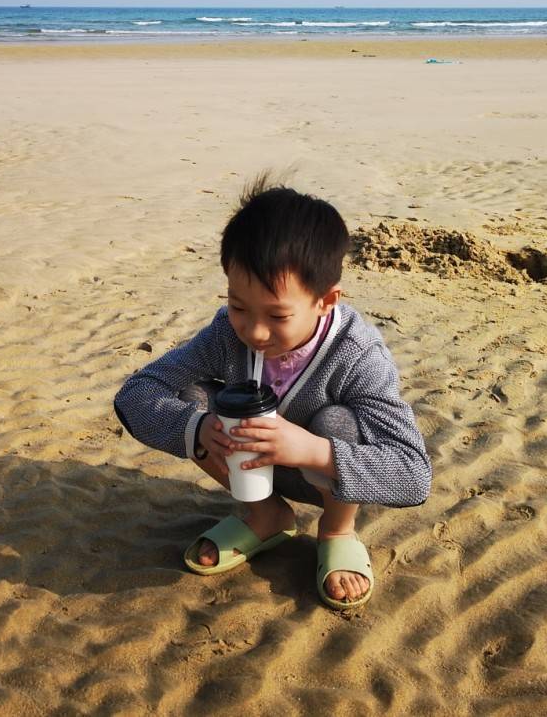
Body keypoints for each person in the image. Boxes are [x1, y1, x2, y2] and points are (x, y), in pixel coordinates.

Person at [113, 177, 432, 609]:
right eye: (239, 306)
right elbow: (138, 391)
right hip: (248, 471)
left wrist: (312, 450)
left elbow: (413, 474)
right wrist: (200, 427)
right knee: (194, 398)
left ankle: (337, 532)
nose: (255, 331)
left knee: (337, 421)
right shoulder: (227, 333)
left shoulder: (357, 354)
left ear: (326, 300)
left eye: (278, 315)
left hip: (326, 482)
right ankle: (265, 514)